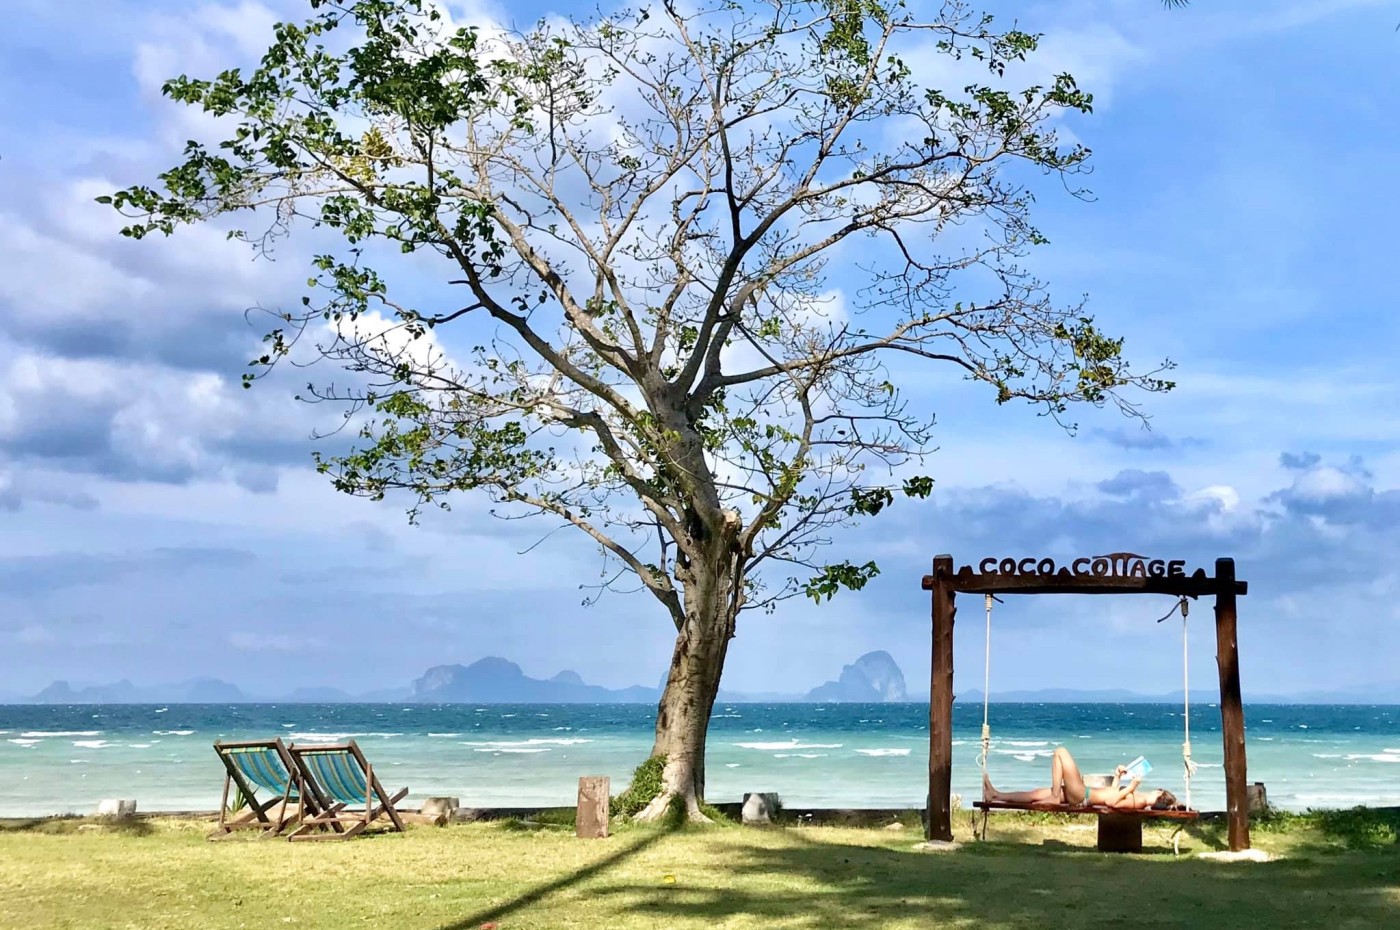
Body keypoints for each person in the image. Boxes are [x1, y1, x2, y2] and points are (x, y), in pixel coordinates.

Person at [982, 746, 1182, 811]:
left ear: (1159, 794)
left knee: (1060, 752)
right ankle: (996, 795)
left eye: (1159, 790)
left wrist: (1131, 786)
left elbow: (1112, 803)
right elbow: (1113, 794)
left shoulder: (1139, 800)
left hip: (1082, 795)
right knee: (1034, 794)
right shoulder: (1139, 798)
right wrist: (1118, 777)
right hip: (1083, 793)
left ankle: (1054, 796)